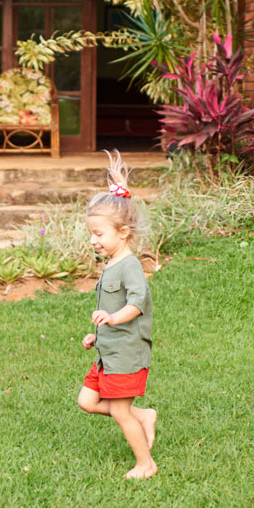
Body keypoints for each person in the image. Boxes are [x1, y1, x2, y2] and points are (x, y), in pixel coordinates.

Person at [75, 152, 158, 479]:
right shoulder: (112, 264)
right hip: (108, 351)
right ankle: (144, 415)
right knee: (87, 401)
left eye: (99, 234)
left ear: (123, 232)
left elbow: (137, 304)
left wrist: (112, 319)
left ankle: (145, 464)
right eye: (91, 233)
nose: (93, 240)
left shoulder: (130, 266)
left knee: (121, 412)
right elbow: (113, 309)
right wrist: (98, 334)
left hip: (125, 354)